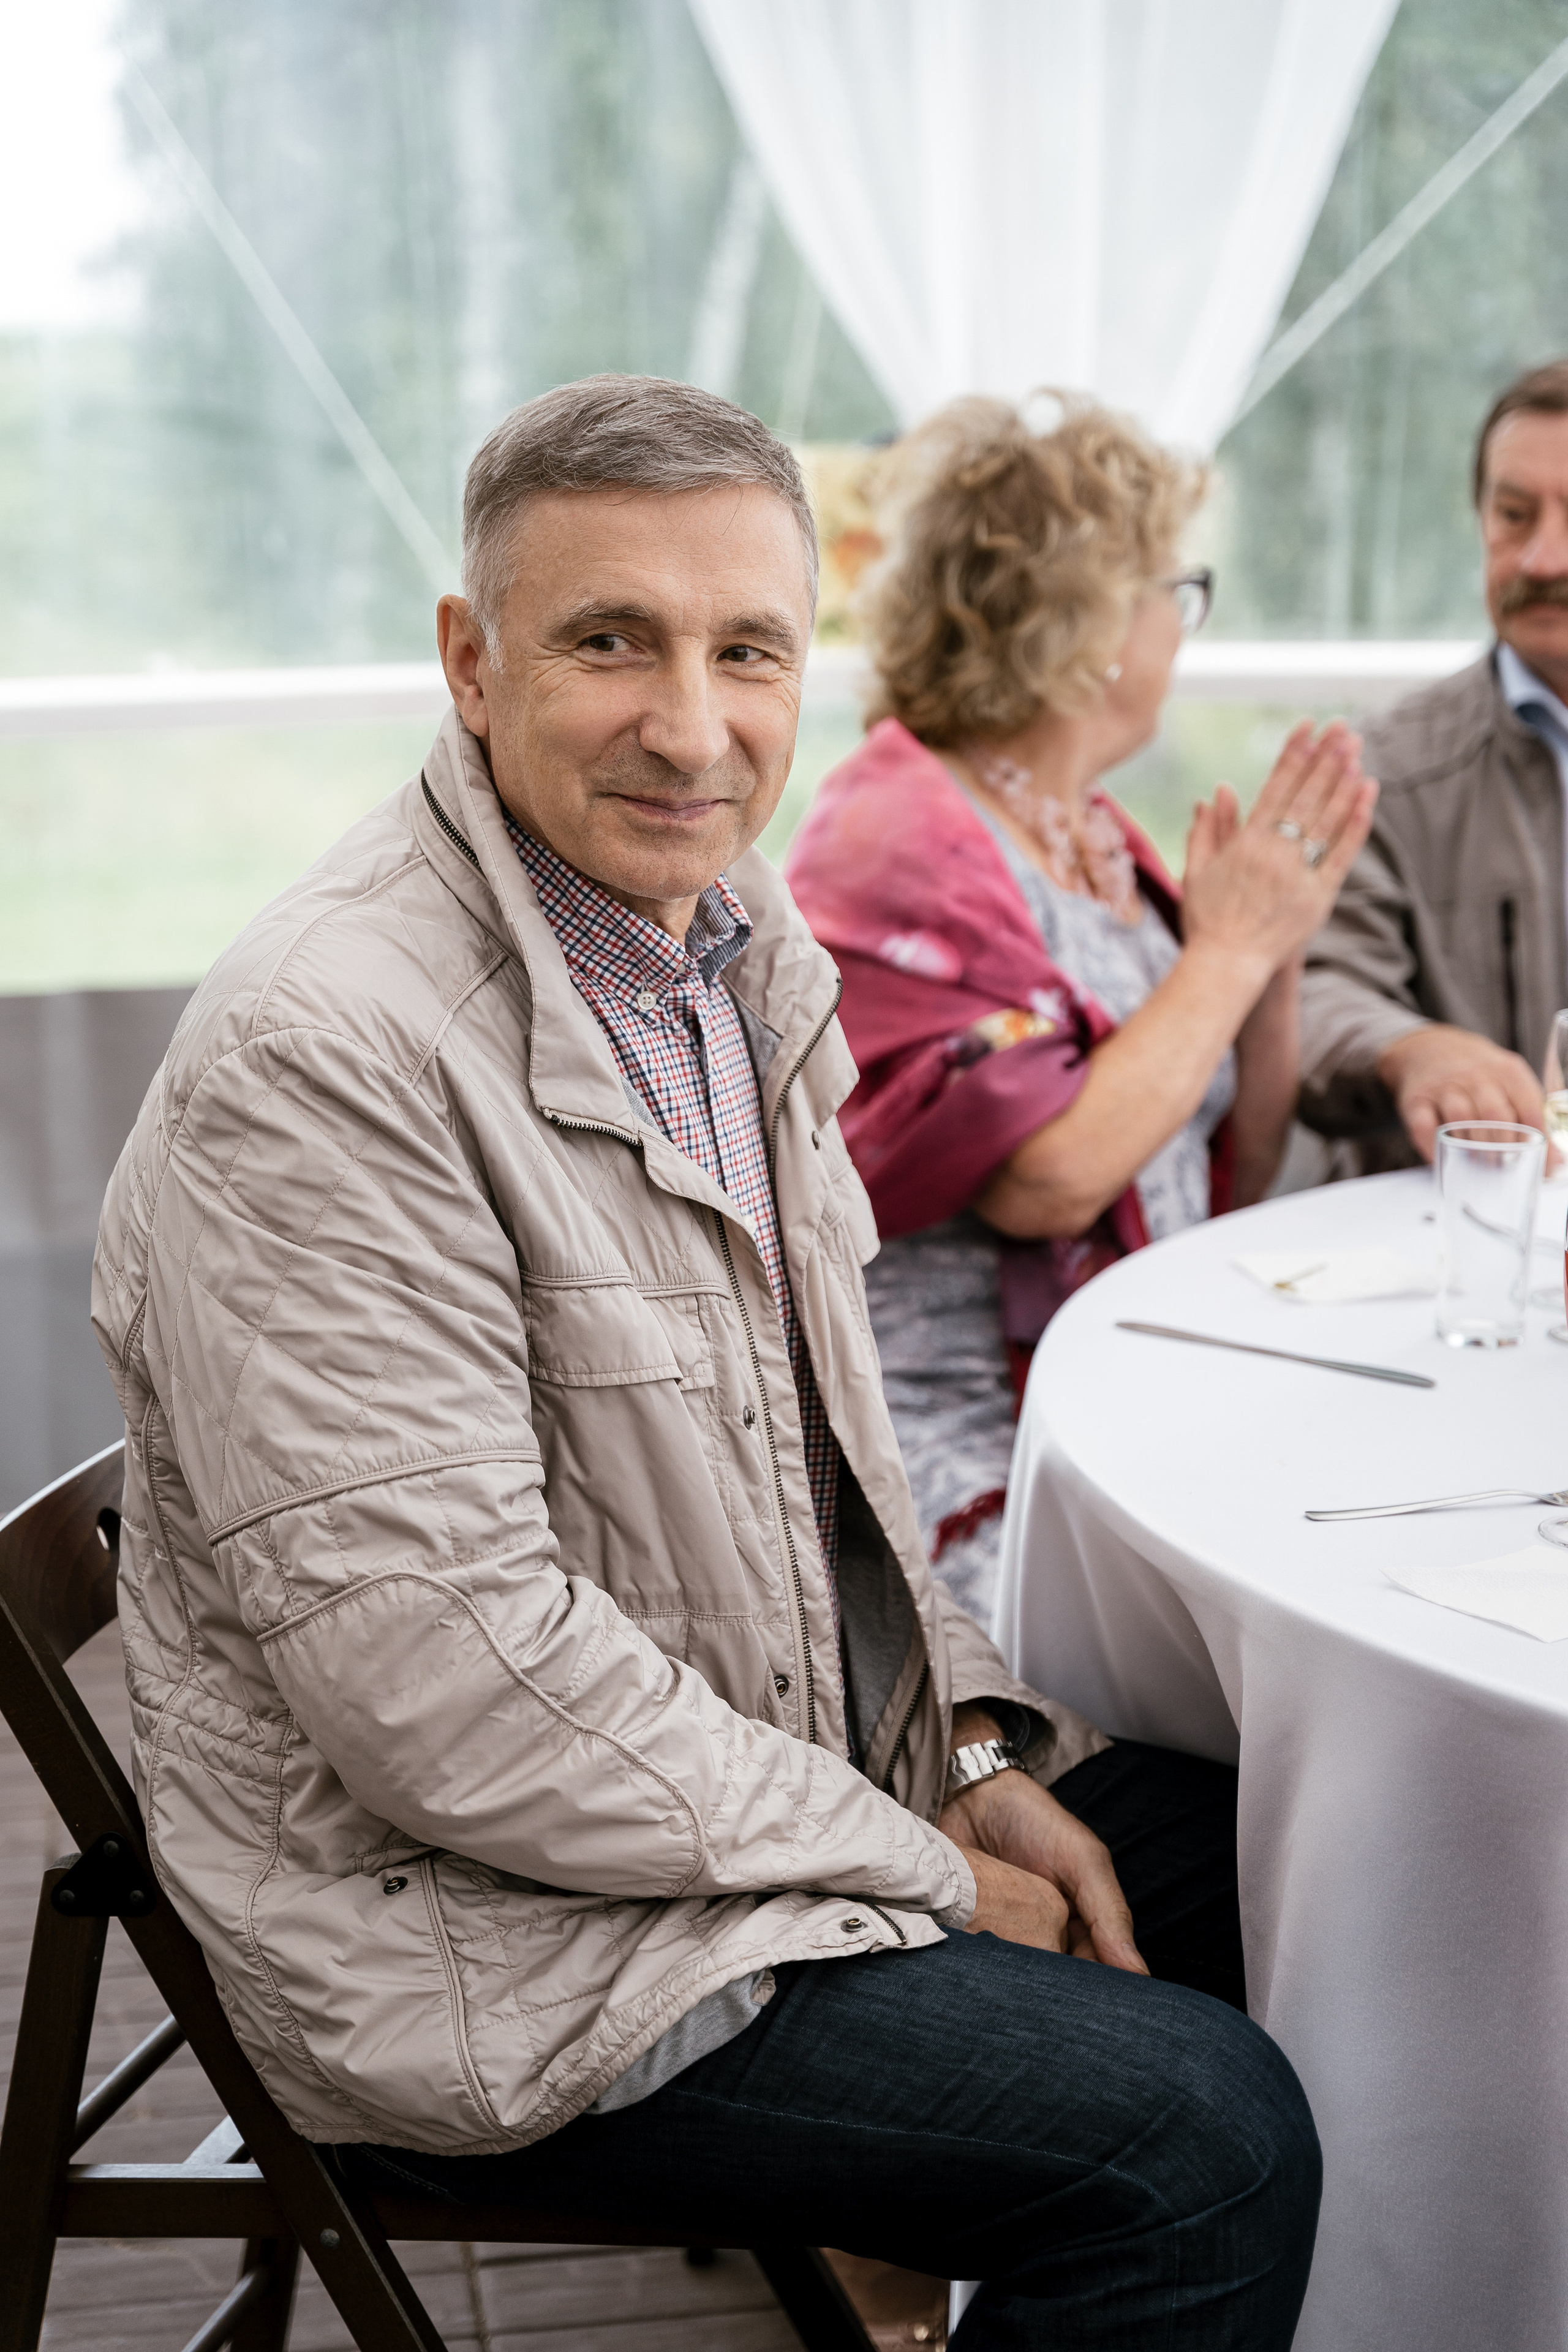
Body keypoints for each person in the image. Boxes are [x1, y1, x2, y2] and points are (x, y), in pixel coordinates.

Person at [93, 375, 1319, 2349]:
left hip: (713, 1802)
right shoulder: (324, 1059)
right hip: (469, 1931)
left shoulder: (723, 943)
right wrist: (907, 1858)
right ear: (470, 667)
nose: (692, 723)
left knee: (1323, 1859)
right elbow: (454, 1698)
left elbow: (834, 1479)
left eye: (746, 648)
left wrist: (977, 1746)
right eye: (609, 641)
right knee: (1204, 2139)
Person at [787, 397, 1375, 1626]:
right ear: (1091, 618)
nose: (1181, 622)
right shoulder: (897, 831)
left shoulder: (1088, 835)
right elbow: (1046, 1179)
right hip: (967, 1457)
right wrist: (1223, 951)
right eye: (1176, 587)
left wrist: (1266, 955)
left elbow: (1227, 1159)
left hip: (1119, 1402)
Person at [1299, 359, 1568, 1167]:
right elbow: (1312, 988)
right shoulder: (1383, 770)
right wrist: (1412, 1049)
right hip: (1464, 1243)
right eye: (1514, 516)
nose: (1542, 559)